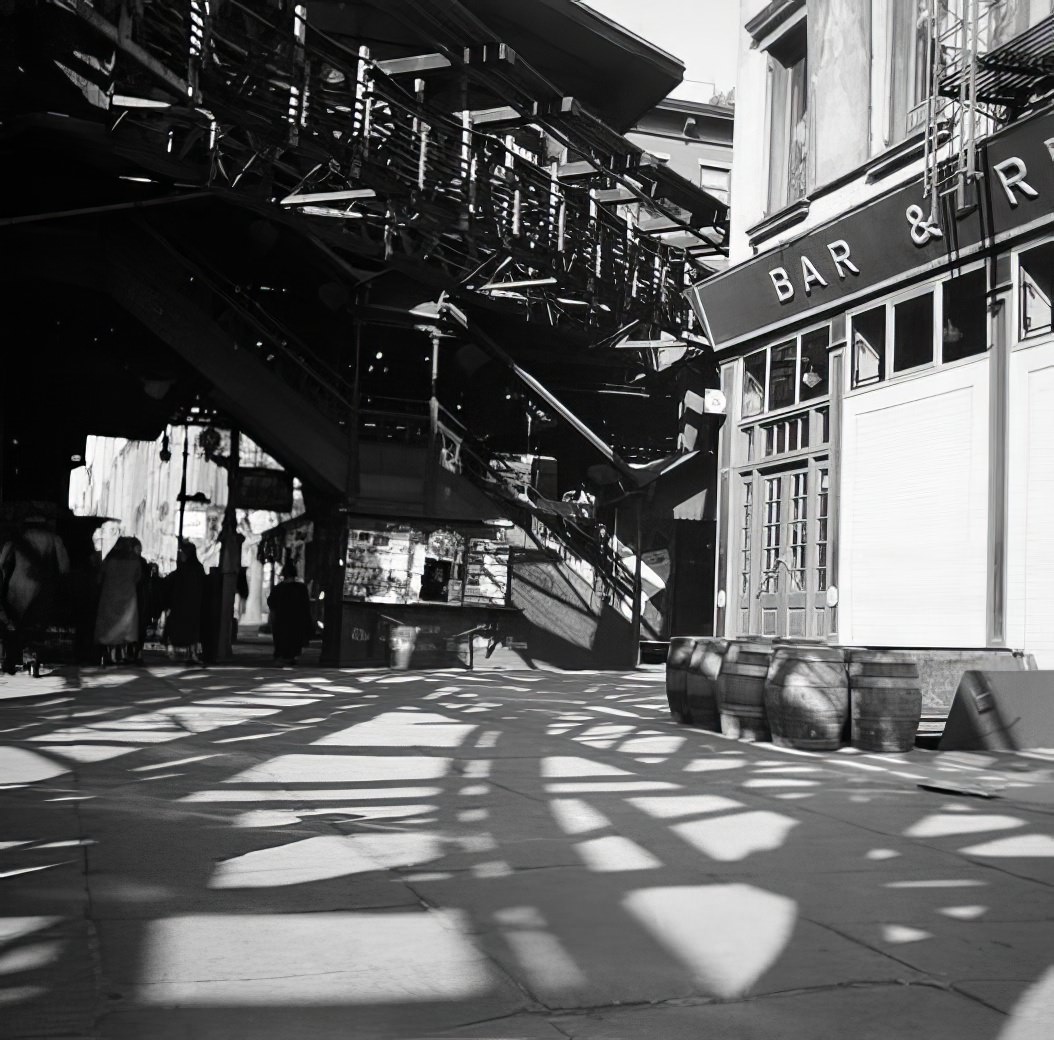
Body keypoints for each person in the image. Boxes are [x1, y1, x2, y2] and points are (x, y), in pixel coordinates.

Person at [0, 513, 71, 676]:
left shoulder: (19, 538)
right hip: (43, 590)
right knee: (36, 627)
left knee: (14, 626)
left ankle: (11, 661)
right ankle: (33, 662)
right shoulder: (55, 539)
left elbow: (3, 561)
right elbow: (64, 567)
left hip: (16, 588)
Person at [94, 536, 144, 666]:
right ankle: (121, 654)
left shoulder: (109, 560)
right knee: (125, 627)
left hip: (110, 595)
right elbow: (138, 578)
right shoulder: (134, 560)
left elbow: (100, 576)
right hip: (128, 597)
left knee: (110, 626)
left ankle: (111, 654)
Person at [164, 540, 205, 666]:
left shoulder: (188, 568)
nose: (180, 554)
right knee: (189, 628)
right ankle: (191, 653)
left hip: (186, 603)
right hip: (188, 603)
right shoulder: (196, 567)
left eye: (182, 552)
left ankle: (191, 653)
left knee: (188, 628)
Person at [267, 562, 314, 665]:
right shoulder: (301, 588)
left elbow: (271, 602)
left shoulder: (278, 588)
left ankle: (282, 655)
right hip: (296, 620)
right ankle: (291, 656)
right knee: (294, 638)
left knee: (282, 637)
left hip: (281, 619)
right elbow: (305, 605)